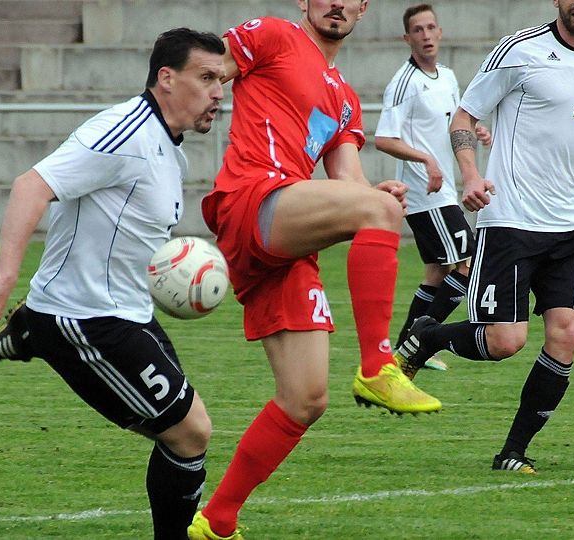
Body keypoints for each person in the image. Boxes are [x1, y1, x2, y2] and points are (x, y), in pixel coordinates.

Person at [0, 28, 226, 539]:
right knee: (191, 432)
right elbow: (31, 186)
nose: (219, 92)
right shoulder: (124, 133)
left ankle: (30, 331)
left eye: (223, 80)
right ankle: (36, 328)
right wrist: (2, 279)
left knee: (181, 433)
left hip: (130, 314)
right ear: (166, 79)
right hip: (85, 319)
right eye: (207, 77)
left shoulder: (172, 151)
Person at [188, 1, 441, 538]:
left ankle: (216, 522)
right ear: (306, 0)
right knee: (380, 212)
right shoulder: (275, 36)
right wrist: (189, 107)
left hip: (287, 233)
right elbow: (212, 68)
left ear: (363, 9)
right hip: (252, 198)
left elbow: (347, 178)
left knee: (305, 399)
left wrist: (373, 194)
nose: (336, 3)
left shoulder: (345, 99)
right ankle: (378, 367)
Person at [395, 0, 574, 474]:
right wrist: (470, 176)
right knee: (505, 340)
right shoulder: (519, 50)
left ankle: (513, 451)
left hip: (572, 224)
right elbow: (463, 119)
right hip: (510, 219)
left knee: (566, 334)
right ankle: (427, 336)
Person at [374, 3, 491, 354]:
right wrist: (426, 159)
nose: (425, 35)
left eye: (430, 28)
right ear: (406, 38)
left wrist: (476, 128)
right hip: (426, 195)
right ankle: (422, 343)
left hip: (445, 191)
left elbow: (454, 121)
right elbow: (383, 139)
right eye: (418, 30)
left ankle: (400, 352)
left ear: (439, 32)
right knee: (468, 265)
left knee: (437, 274)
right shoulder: (403, 83)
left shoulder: (448, 76)